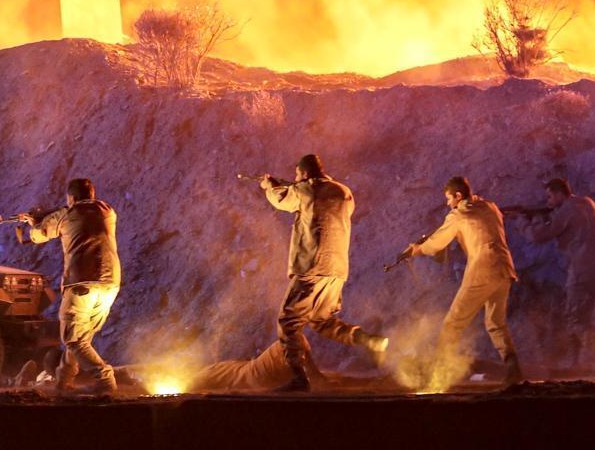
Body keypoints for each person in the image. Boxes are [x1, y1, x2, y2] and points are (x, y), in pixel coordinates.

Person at [262, 153, 388, 391]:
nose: (296, 179)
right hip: (336, 268)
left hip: (311, 266)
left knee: (288, 321)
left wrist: (270, 186)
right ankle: (369, 340)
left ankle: (299, 378)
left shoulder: (305, 190)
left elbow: (281, 200)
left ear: (304, 173)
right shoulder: (343, 192)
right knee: (321, 321)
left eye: (297, 175)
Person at [407, 176, 523, 385]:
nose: (447, 203)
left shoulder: (458, 214)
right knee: (496, 323)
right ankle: (513, 368)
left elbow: (436, 244)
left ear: (458, 195)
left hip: (482, 271)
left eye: (449, 198)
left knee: (453, 324)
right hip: (504, 269)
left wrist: (417, 249)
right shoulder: (490, 206)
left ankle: (439, 375)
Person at [20, 177, 120, 393]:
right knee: (81, 337)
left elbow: (38, 235)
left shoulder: (67, 214)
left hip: (82, 282)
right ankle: (63, 380)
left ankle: (104, 379)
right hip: (110, 283)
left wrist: (34, 223)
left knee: (72, 338)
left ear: (71, 198)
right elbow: (82, 213)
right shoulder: (107, 211)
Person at [517, 177, 595, 372]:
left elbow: (538, 236)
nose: (548, 201)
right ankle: (576, 363)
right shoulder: (587, 203)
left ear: (558, 193)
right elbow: (569, 225)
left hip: (582, 271)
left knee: (575, 318)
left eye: (549, 196)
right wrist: (546, 215)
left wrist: (524, 221)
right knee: (581, 317)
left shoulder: (567, 210)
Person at [188, 341, 321, 392]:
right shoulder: (200, 377)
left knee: (293, 343)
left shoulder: (210, 370)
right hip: (256, 375)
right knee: (290, 342)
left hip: (255, 372)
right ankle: (311, 379)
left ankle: (313, 378)